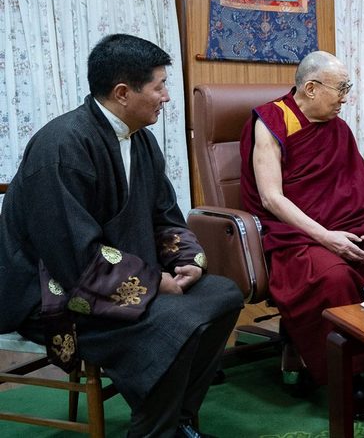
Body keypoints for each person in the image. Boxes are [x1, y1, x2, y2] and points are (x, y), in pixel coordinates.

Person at [0, 34, 243, 438]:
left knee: (222, 294)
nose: (166, 97)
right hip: (51, 292)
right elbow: (73, 258)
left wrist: (184, 260)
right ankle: (153, 430)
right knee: (175, 321)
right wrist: (154, 283)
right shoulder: (61, 146)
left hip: (114, 278)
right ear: (123, 92)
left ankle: (179, 419)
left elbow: (165, 216)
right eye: (159, 86)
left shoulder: (141, 140)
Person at [239, 51, 364, 384]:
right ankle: (353, 372)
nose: (347, 97)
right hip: (294, 234)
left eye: (348, 87)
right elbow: (271, 198)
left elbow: (360, 189)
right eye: (342, 88)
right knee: (333, 276)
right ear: (312, 88)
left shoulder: (338, 130)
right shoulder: (271, 122)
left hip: (347, 229)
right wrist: (326, 237)